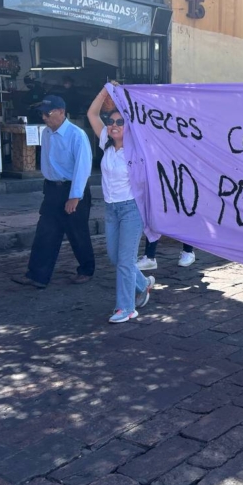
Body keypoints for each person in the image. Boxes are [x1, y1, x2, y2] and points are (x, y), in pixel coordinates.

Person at [87, 86, 154, 323]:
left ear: (129, 127)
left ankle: (125, 308)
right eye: (111, 120)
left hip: (130, 210)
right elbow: (92, 115)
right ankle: (144, 283)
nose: (114, 125)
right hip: (111, 209)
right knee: (116, 259)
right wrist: (105, 92)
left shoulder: (136, 150)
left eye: (120, 122)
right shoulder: (106, 140)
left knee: (125, 262)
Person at [12, 95, 95, 288]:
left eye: (48, 114)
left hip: (72, 188)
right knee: (45, 232)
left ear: (61, 112)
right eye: (42, 114)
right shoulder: (46, 133)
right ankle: (37, 275)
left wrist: (75, 196)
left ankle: (86, 269)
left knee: (77, 233)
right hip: (52, 189)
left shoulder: (77, 135)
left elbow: (82, 168)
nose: (44, 118)